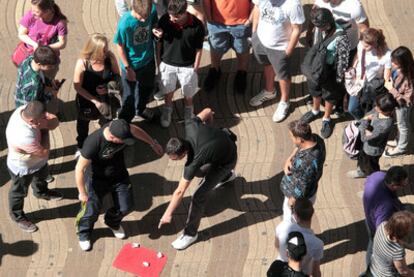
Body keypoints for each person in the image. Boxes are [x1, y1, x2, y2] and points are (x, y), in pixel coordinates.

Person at [75, 119, 163, 251]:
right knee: (91, 210)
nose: (125, 143)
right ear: (111, 137)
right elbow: (79, 169)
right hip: (96, 179)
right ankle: (84, 232)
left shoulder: (122, 127)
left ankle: (112, 222)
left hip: (119, 175)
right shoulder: (93, 142)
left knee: (126, 206)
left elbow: (135, 129)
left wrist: (152, 143)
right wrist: (82, 192)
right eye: (123, 141)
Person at [158, 108, 237, 250]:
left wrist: (168, 213)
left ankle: (190, 234)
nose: (173, 161)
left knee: (198, 196)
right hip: (226, 145)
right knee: (200, 172)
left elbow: (179, 191)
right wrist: (210, 126)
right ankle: (227, 176)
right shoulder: (190, 125)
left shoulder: (193, 162)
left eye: (175, 159)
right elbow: (208, 111)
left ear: (184, 153)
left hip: (227, 160)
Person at [6, 101, 62, 233]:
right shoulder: (22, 136)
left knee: (41, 177)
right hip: (22, 168)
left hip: (38, 162)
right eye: (42, 119)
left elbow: (54, 120)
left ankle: (41, 192)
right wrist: (46, 129)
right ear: (31, 121)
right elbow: (44, 152)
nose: (45, 120)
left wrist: (46, 123)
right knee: (18, 192)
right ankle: (17, 216)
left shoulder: (26, 109)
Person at [249, 0, 304, 122]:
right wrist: (254, 33)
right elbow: (257, 8)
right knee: (267, 64)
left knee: (282, 75)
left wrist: (288, 51)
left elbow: (297, 29)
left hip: (280, 47)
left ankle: (285, 101)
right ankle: (269, 91)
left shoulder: (293, 4)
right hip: (260, 41)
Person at [300, 8, 350, 138]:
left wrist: (339, 78)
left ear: (328, 22)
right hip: (315, 68)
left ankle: (326, 118)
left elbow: (343, 59)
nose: (318, 28)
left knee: (329, 95)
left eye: (321, 26)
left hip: (330, 70)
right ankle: (315, 111)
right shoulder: (318, 28)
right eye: (316, 26)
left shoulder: (341, 36)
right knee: (315, 91)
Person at [154, 0, 205, 127]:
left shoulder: (197, 26)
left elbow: (199, 49)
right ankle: (167, 110)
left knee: (188, 93)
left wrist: (196, 68)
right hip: (167, 63)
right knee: (168, 90)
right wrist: (159, 62)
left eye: (176, 16)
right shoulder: (165, 20)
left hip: (187, 66)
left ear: (185, 11)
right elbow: (159, 42)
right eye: (170, 15)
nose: (172, 19)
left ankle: (189, 112)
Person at [73, 33, 121, 154]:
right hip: (87, 100)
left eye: (106, 48)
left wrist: (108, 88)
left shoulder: (110, 58)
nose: (106, 52)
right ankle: (81, 145)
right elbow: (77, 86)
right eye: (103, 50)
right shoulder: (83, 62)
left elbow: (117, 76)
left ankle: (104, 143)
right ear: (94, 50)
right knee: (83, 123)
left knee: (107, 122)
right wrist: (95, 101)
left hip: (106, 99)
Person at [114, 0, 158, 123]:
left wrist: (155, 29)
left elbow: (154, 23)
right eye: (141, 17)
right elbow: (120, 46)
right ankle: (124, 122)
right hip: (131, 66)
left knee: (146, 89)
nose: (144, 20)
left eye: (146, 16)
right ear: (134, 9)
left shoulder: (152, 9)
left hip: (148, 61)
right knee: (129, 96)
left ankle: (140, 109)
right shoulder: (125, 23)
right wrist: (128, 69)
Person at [202, 0, 254, 94]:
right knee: (215, 47)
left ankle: (241, 72)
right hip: (216, 22)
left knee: (242, 48)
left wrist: (250, 19)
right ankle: (215, 69)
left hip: (242, 22)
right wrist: (209, 18)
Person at [281, 120, 326, 222]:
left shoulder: (306, 162)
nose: (291, 139)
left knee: (291, 222)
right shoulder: (316, 138)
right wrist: (289, 159)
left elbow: (302, 187)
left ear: (300, 139)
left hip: (298, 200)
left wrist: (292, 201)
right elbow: (298, 147)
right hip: (309, 189)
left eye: (292, 137)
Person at [362, 166, 407, 268]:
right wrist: (401, 245)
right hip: (377, 225)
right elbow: (383, 234)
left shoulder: (377, 175)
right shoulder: (386, 208)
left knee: (371, 245)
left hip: (369, 217)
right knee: (381, 253)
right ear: (393, 185)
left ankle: (370, 267)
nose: (404, 186)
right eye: (402, 185)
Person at [347, 93, 397, 178]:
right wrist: (365, 122)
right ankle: (362, 171)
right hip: (366, 146)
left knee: (372, 170)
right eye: (376, 105)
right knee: (362, 159)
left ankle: (373, 186)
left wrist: (365, 121)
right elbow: (369, 115)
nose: (375, 108)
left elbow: (364, 137)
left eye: (378, 107)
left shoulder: (384, 125)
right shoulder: (380, 108)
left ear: (387, 111)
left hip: (372, 151)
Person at [348, 28, 392, 120]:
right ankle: (361, 120)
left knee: (369, 109)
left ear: (375, 43)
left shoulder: (387, 55)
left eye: (367, 46)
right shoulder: (361, 44)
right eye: (363, 44)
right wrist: (352, 68)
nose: (364, 47)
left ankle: (367, 121)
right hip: (358, 82)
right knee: (351, 108)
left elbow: (386, 77)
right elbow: (357, 56)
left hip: (371, 87)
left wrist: (390, 91)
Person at [18, 0, 68, 78]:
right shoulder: (31, 15)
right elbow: (21, 34)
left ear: (47, 11)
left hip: (47, 60)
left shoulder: (60, 23)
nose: (32, 12)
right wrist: (34, 44)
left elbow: (62, 43)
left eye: (36, 11)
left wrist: (45, 48)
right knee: (28, 80)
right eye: (32, 9)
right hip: (29, 55)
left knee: (48, 83)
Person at [275, 198, 323, 277]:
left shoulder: (282, 227)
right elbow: (316, 271)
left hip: (279, 270)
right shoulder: (317, 244)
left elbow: (277, 245)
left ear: (296, 215)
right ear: (312, 213)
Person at [384, 46, 414, 157]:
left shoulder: (408, 79)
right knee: (401, 124)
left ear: (403, 63)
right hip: (398, 104)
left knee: (403, 125)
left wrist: (391, 88)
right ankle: (398, 140)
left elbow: (406, 100)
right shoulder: (404, 69)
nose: (393, 65)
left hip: (403, 106)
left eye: (395, 63)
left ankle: (402, 148)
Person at [15, 45, 60, 113]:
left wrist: (49, 81)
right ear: (39, 64)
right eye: (49, 66)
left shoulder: (29, 59)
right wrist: (52, 95)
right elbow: (34, 105)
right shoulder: (33, 85)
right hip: (27, 110)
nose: (52, 68)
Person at [368, 211, 414, 277]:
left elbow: (396, 241)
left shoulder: (382, 226)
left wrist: (409, 246)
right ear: (401, 232)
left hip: (374, 267)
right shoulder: (397, 250)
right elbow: (404, 272)